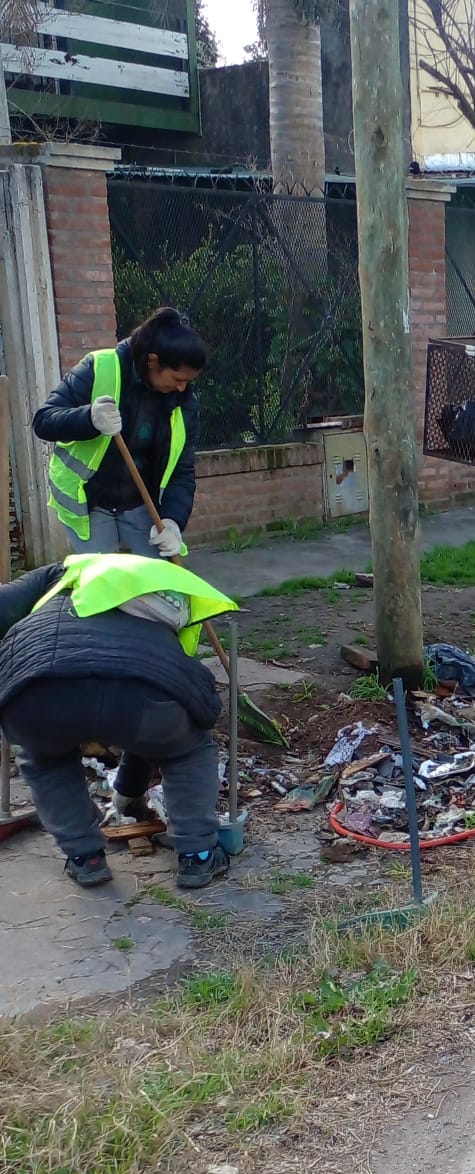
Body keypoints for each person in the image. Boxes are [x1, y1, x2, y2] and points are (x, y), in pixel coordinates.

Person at [0, 552, 238, 890]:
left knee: (45, 759)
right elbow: (195, 712)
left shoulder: (65, 570)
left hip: (40, 694)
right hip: (146, 693)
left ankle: (85, 858)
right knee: (186, 749)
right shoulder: (171, 588)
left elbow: (3, 607)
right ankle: (198, 854)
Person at [33, 306, 206, 556]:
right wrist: (89, 418)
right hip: (90, 503)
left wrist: (172, 521)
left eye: (188, 381)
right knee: (103, 583)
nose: (182, 388)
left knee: (155, 585)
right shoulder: (100, 368)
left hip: (141, 505)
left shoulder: (183, 404)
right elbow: (44, 421)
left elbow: (182, 470)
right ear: (153, 361)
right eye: (177, 378)